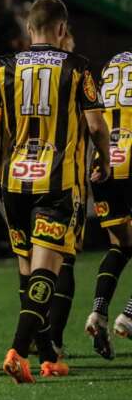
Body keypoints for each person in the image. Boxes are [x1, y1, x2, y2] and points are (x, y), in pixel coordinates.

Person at [0, 0, 110, 383]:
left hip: (15, 185)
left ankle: (47, 355)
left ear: (28, 29)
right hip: (58, 183)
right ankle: (17, 349)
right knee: (49, 271)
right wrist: (105, 160)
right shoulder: (77, 67)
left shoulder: (3, 67)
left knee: (28, 273)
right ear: (62, 29)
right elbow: (95, 126)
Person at [84, 49, 132, 359]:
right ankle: (128, 315)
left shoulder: (111, 64)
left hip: (104, 160)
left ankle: (97, 313)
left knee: (120, 246)